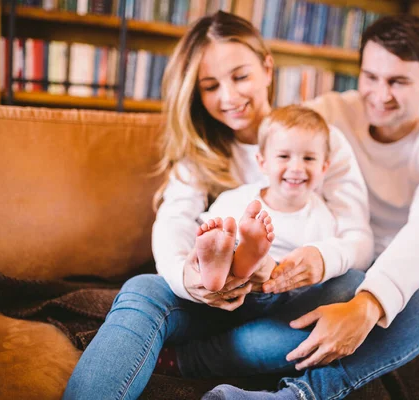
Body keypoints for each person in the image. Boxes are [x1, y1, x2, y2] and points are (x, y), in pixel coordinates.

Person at [63, 11, 375, 400]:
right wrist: (186, 280)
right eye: (210, 86)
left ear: (267, 68)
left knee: (351, 285)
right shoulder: (201, 149)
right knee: (142, 288)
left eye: (240, 77)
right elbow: (174, 219)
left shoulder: (317, 139)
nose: (228, 97)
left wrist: (321, 258)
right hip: (217, 294)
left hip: (290, 297)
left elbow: (359, 238)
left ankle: (194, 354)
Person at [202, 14, 419, 400]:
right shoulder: (331, 110)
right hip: (342, 256)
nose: (380, 94)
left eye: (398, 81)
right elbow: (276, 147)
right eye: (371, 77)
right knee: (342, 281)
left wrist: (367, 306)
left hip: (401, 264)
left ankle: (298, 396)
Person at [196, 105, 336, 292]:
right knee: (225, 241)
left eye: (309, 159)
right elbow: (203, 232)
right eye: (284, 156)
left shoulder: (321, 218)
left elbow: (317, 270)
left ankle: (253, 259)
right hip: (227, 286)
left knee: (273, 268)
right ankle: (226, 261)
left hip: (276, 291)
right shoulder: (237, 200)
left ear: (324, 167)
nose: (296, 167)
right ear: (263, 163)